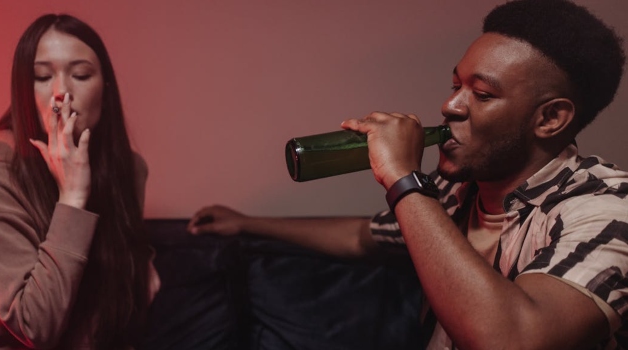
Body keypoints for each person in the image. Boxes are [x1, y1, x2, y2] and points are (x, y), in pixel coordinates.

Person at [189, 0, 628, 349]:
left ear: (550, 119)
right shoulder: (462, 187)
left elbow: (510, 339)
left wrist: (404, 178)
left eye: (481, 93)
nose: (450, 106)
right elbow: (366, 237)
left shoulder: (609, 209)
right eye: (456, 85)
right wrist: (247, 223)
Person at [0, 14, 160, 350]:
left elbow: (106, 300)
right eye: (41, 76)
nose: (61, 92)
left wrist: (142, 267)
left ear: (106, 91)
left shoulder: (130, 172)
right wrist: (73, 197)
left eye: (80, 75)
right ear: (23, 93)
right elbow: (36, 328)